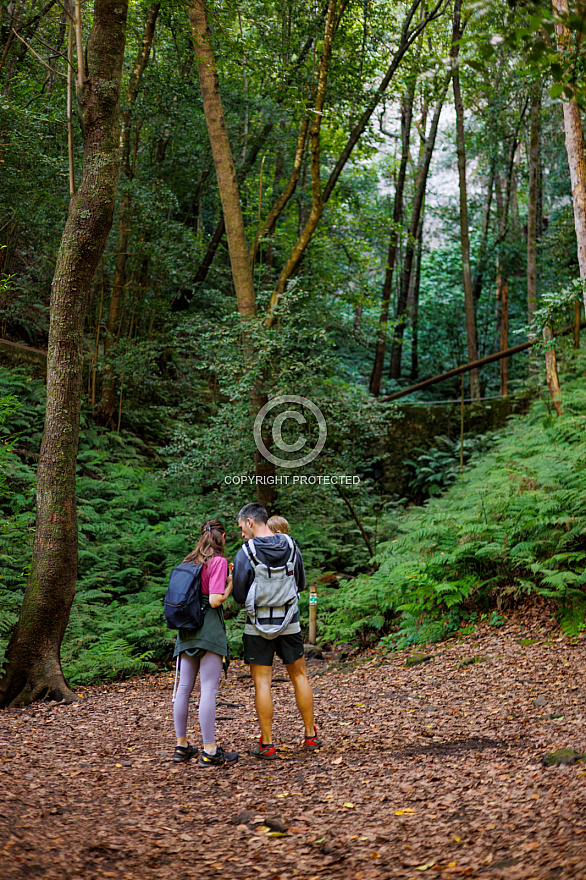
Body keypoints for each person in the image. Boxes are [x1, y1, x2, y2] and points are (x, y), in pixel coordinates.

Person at [232, 502, 322, 758]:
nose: (241, 533)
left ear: (250, 522)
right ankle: (310, 735)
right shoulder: (291, 545)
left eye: (241, 527)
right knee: (300, 676)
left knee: (262, 682)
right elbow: (301, 583)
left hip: (258, 626)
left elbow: (239, 595)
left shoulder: (245, 552)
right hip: (290, 622)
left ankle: (268, 743)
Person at [172, 518, 239, 768]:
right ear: (220, 537)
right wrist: (229, 585)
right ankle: (210, 750)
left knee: (184, 688)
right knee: (208, 690)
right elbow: (214, 600)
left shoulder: (189, 561)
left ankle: (181, 746)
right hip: (208, 629)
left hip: (186, 629)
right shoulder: (219, 562)